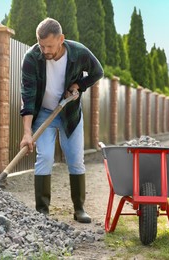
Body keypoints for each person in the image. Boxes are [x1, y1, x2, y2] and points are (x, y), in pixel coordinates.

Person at [19, 18, 103, 223]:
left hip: (69, 112)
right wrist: (27, 132)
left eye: (49, 45)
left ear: (61, 40)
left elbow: (97, 72)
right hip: (44, 113)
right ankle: (42, 210)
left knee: (75, 159)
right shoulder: (31, 58)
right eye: (41, 45)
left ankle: (79, 209)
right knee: (45, 157)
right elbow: (28, 96)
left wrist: (79, 85)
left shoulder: (78, 52)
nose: (45, 50)